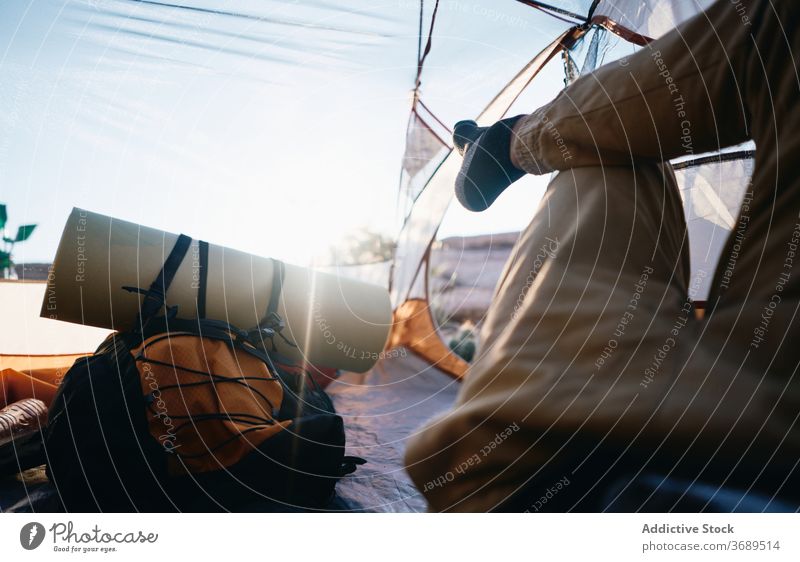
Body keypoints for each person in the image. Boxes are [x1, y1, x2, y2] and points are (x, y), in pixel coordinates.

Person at [405, 0, 800, 512]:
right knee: (619, 141)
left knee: (604, 156)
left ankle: (510, 144)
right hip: (762, 385)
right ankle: (514, 143)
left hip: (567, 460)